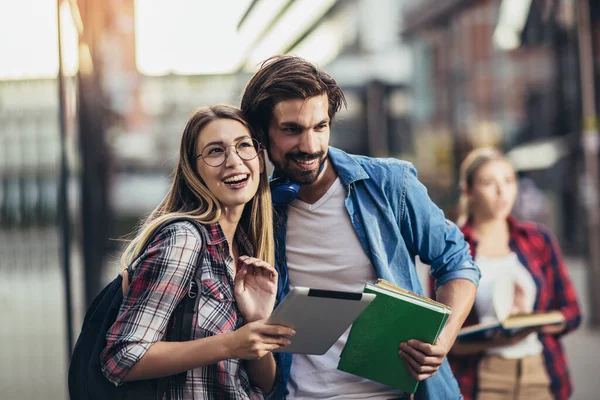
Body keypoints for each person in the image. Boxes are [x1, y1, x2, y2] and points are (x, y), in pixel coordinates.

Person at [240, 55, 481, 400]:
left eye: (319, 127)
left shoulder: (389, 184)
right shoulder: (254, 209)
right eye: (291, 129)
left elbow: (456, 261)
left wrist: (443, 339)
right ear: (262, 133)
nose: (309, 146)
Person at [100, 105, 295, 399]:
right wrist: (230, 343)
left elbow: (265, 386)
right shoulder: (184, 239)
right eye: (215, 151)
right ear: (194, 170)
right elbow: (122, 357)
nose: (234, 161)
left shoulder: (245, 248)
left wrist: (255, 322)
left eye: (244, 145)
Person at [445, 147, 581, 400]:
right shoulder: (453, 247)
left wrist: (531, 321)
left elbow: (572, 311)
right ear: (468, 191)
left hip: (540, 372)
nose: (501, 192)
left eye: (508, 181)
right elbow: (441, 334)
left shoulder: (538, 239)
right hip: (482, 378)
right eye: (489, 183)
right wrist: (496, 338)